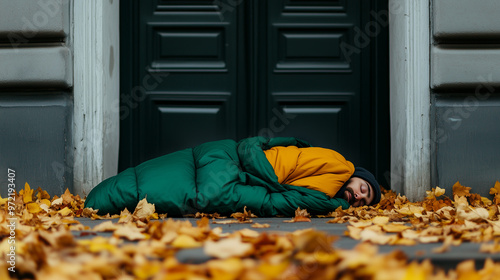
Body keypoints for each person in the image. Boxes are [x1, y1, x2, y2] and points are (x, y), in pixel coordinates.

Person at [84, 137, 381, 217]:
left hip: (234, 154)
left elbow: (286, 144)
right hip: (238, 172)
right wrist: (336, 207)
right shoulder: (337, 173)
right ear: (357, 176)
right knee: (205, 194)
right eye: (363, 188)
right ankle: (100, 200)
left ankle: (100, 198)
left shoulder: (324, 161)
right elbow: (285, 203)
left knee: (166, 179)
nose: (357, 196)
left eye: (363, 202)